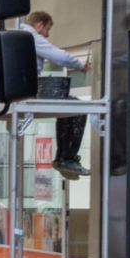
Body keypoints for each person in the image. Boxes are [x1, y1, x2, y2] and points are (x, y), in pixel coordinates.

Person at [21, 11, 92, 180]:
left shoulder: (15, 35)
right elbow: (59, 56)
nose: (48, 34)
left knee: (65, 106)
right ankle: (66, 158)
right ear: (39, 25)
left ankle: (63, 157)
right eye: (48, 29)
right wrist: (79, 64)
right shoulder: (32, 37)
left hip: (17, 91)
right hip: (29, 92)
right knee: (78, 107)